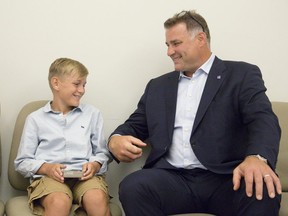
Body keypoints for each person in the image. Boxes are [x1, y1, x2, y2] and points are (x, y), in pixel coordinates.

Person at [108, 10, 282, 216]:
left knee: (263, 187)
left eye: (176, 43)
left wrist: (257, 157)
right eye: (167, 45)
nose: (169, 52)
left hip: (226, 179)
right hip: (173, 180)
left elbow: (262, 119)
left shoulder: (241, 75)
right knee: (134, 186)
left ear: (201, 39)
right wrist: (115, 140)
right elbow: (135, 125)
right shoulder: (158, 86)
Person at [15, 58, 112, 216]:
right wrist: (47, 168)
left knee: (97, 199)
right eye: (77, 83)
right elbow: (22, 162)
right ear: (56, 83)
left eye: (84, 85)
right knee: (59, 202)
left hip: (85, 178)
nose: (81, 90)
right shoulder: (35, 119)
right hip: (49, 178)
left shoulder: (92, 114)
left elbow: (102, 153)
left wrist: (95, 164)